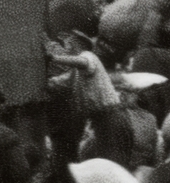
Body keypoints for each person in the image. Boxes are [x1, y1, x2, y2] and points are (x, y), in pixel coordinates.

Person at [46, 33, 135, 168]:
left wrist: (54, 58)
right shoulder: (74, 74)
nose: (66, 48)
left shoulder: (89, 56)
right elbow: (56, 83)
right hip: (101, 120)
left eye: (69, 45)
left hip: (111, 117)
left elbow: (82, 62)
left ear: (79, 47)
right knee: (106, 161)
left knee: (112, 164)